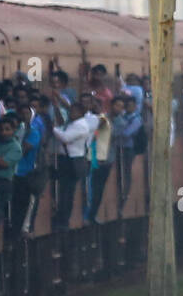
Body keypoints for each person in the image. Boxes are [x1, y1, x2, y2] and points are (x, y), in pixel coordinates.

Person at [51, 100, 96, 230]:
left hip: (73, 161)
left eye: (74, 111)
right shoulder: (72, 123)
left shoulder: (81, 126)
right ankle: (60, 217)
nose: (71, 113)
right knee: (64, 190)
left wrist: (52, 128)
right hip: (67, 159)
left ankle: (64, 219)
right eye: (71, 110)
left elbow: (65, 137)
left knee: (68, 192)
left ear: (81, 113)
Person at [10, 102, 44, 236]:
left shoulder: (33, 132)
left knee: (25, 204)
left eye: (27, 113)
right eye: (22, 113)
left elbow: (23, 150)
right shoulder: (16, 129)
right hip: (13, 173)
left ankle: (24, 229)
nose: (24, 116)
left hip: (26, 173)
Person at [0, 114, 22, 238]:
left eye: (7, 129)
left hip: (3, 182)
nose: (4, 132)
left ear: (13, 131)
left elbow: (4, 163)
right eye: (1, 129)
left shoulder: (16, 147)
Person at [85, 94, 116, 225]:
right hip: (91, 159)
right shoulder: (86, 119)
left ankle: (91, 215)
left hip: (102, 160)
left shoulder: (103, 119)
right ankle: (89, 215)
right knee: (91, 189)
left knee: (97, 190)